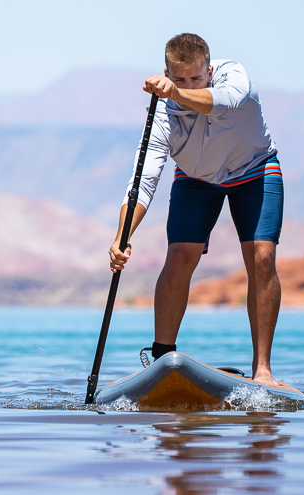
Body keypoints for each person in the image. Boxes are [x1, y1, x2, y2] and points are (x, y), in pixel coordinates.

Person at [108, 33, 285, 387]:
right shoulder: (161, 115)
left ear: (209, 70)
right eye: (178, 79)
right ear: (167, 72)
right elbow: (142, 182)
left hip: (255, 170)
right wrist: (121, 237)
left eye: (195, 77)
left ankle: (262, 370)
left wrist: (175, 92)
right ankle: (161, 360)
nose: (186, 84)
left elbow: (221, 102)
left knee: (261, 258)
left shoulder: (235, 78)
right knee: (178, 258)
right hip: (196, 178)